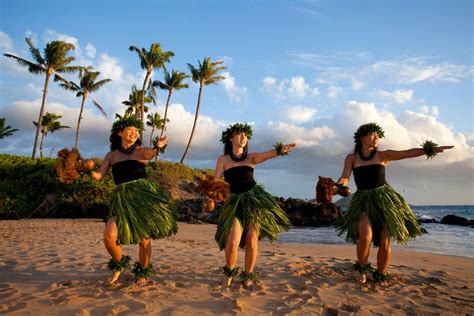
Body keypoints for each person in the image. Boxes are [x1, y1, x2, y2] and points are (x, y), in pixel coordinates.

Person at [335, 122, 453, 283]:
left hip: (384, 200)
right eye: (372, 134)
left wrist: (429, 149)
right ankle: (362, 269)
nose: (377, 137)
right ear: (361, 137)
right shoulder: (352, 158)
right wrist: (339, 185)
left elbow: (406, 153)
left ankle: (380, 273)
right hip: (363, 200)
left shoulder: (384, 155)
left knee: (384, 241)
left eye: (378, 135)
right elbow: (345, 177)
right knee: (365, 236)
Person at [91, 116, 177, 286]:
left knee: (144, 240)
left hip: (141, 198)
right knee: (109, 235)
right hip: (121, 199)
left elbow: (151, 154)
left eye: (137, 131)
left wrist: (158, 146)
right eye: (130, 129)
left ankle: (143, 273)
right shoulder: (112, 155)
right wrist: (84, 169)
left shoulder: (141, 151)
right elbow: (99, 176)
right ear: (120, 132)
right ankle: (119, 263)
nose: (134, 133)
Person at [213, 123, 295, 288]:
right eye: (239, 134)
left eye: (245, 135)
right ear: (230, 138)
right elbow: (215, 181)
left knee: (251, 239)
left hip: (253, 201)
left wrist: (280, 151)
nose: (243, 137)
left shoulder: (252, 157)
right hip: (235, 203)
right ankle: (229, 273)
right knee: (233, 241)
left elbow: (267, 155)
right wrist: (211, 196)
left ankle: (248, 275)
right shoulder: (223, 160)